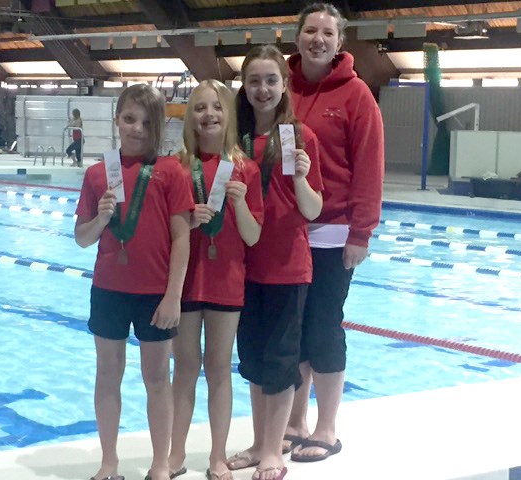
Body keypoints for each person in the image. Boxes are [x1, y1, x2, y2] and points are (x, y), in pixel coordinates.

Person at [74, 84, 194, 480]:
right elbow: (82, 238)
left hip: (155, 294)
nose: (137, 128)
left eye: (146, 122)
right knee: (107, 374)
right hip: (108, 290)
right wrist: (102, 218)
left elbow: (181, 237)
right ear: (116, 120)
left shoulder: (171, 172)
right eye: (129, 119)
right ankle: (109, 462)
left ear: (158, 126)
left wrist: (173, 297)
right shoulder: (97, 174)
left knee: (157, 378)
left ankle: (161, 464)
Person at [284, 2, 385, 463]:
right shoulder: (280, 86)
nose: (317, 39)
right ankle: (294, 421)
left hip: (333, 231)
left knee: (323, 326)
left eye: (327, 32)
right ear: (298, 36)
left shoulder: (356, 94)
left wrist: (360, 233)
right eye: (310, 31)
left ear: (339, 42)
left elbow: (369, 166)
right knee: (294, 327)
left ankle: (326, 427)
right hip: (285, 231)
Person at [228, 44, 323, 480]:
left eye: (271, 80)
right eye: (254, 81)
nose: (262, 89)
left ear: (284, 86)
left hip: (287, 267)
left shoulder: (301, 138)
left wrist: (301, 176)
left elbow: (313, 209)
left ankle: (273, 449)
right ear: (243, 87)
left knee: (281, 361)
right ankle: (257, 442)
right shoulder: (236, 142)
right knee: (251, 359)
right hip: (242, 267)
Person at [169, 80, 264, 480]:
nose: (208, 115)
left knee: (220, 369)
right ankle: (174, 454)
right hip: (186, 283)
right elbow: (165, 231)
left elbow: (253, 236)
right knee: (186, 369)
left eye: (216, 108)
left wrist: (240, 204)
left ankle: (217, 456)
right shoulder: (175, 166)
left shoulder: (245, 169)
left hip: (226, 282)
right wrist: (189, 220)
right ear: (190, 116)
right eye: (199, 108)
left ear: (228, 114)